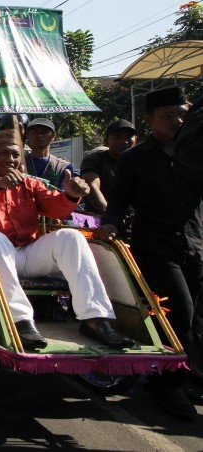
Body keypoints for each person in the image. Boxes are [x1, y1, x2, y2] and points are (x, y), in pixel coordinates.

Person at [0, 129, 134, 351]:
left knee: (70, 236)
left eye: (15, 155)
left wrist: (70, 195)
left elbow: (54, 207)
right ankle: (20, 321)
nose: (11, 160)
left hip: (28, 254)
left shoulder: (30, 184)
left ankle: (95, 319)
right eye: (4, 154)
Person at [100, 86, 201, 419]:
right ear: (149, 120)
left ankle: (190, 375)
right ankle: (168, 386)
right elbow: (118, 201)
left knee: (199, 319)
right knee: (180, 315)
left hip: (196, 242)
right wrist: (110, 224)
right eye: (167, 116)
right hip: (155, 245)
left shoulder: (197, 152)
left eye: (182, 113)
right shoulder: (134, 158)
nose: (177, 120)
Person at [80, 119, 137, 215]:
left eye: (128, 137)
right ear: (106, 141)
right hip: (100, 222)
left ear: (136, 139)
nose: (124, 141)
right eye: (117, 137)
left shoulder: (142, 161)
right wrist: (111, 216)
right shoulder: (95, 160)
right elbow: (92, 186)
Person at [24, 118, 73, 189]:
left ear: (53, 137)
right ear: (27, 136)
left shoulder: (63, 166)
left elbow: (65, 194)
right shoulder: (20, 162)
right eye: (35, 132)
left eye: (44, 132)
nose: (39, 135)